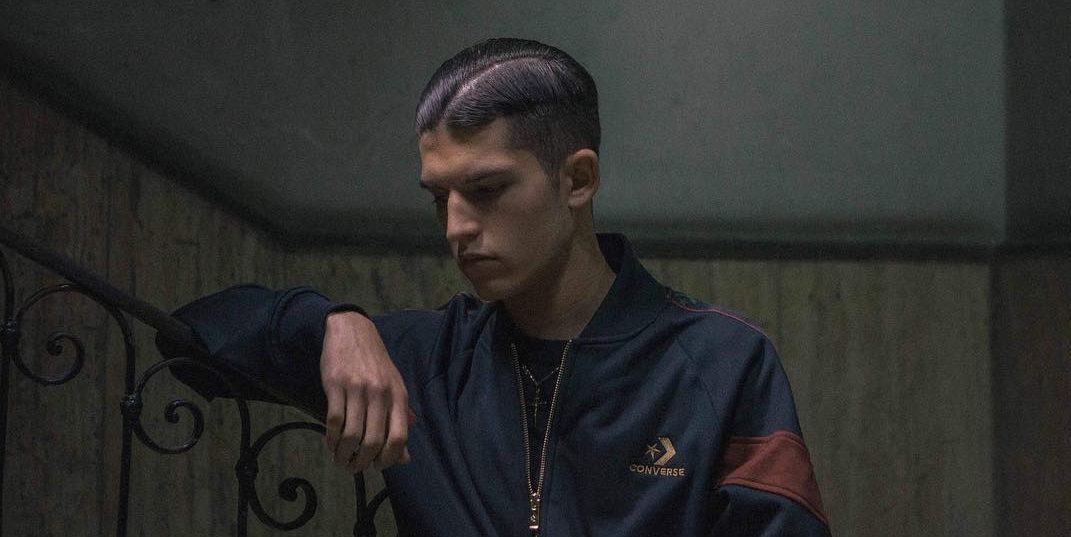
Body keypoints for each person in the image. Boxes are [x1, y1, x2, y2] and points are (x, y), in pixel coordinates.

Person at [162, 38, 831, 536]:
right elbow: (186, 341)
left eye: (486, 190)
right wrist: (334, 322)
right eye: (439, 199)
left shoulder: (719, 361)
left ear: (577, 179)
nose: (455, 227)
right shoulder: (419, 360)